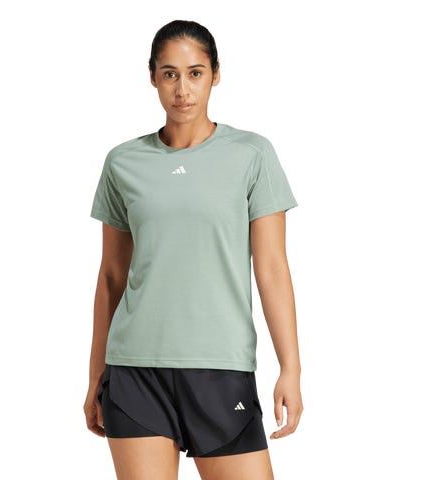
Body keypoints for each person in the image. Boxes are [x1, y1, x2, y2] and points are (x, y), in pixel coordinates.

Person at [83, 19, 303, 480]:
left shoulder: (251, 154)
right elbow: (111, 276)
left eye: (195, 73)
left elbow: (272, 269)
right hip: (135, 370)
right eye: (169, 74)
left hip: (221, 368)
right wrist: (94, 377)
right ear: (152, 77)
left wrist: (291, 368)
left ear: (215, 74)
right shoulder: (123, 162)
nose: (182, 89)